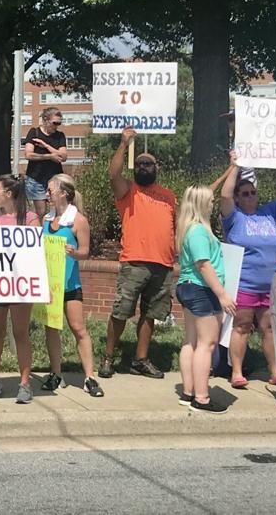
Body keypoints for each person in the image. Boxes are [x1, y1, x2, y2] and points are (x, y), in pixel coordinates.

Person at [219, 150, 276, 389]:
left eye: (253, 193)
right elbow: (224, 194)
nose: (250, 196)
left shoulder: (268, 214)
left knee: (269, 328)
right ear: (238, 198)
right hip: (245, 284)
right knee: (242, 326)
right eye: (245, 193)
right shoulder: (234, 218)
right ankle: (237, 372)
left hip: (270, 285)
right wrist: (235, 166)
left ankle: (275, 370)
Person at [99, 126, 176, 380]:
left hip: (162, 265)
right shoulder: (128, 191)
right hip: (134, 262)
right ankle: (108, 357)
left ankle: (141, 360)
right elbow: (113, 174)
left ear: (157, 168)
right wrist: (124, 143)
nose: (144, 167)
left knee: (151, 314)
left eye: (148, 164)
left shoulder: (169, 196)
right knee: (121, 312)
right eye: (140, 164)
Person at [42, 174, 103, 397]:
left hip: (70, 283)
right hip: (51, 284)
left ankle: (90, 377)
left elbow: (85, 251)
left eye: (50, 190)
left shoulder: (78, 220)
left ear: (63, 193)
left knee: (78, 328)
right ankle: (56, 373)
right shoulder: (46, 219)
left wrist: (74, 253)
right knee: (51, 328)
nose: (47, 194)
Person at [176, 185, 234, 413]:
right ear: (201, 204)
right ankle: (201, 397)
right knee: (206, 344)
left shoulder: (188, 229)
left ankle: (188, 392)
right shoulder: (199, 231)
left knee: (191, 341)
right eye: (209, 201)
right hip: (201, 289)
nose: (213, 204)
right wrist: (222, 294)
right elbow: (204, 265)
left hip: (188, 286)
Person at [0, 174, 40, 404]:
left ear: (8, 194)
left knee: (20, 333)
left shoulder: (31, 219)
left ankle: (25, 383)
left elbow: (36, 254)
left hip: (21, 285)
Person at [22, 107, 67, 218]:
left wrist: (46, 145)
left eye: (59, 123)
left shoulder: (60, 136)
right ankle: (41, 229)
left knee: (57, 210)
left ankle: (54, 228)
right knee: (41, 212)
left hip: (55, 178)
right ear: (45, 120)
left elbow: (63, 156)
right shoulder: (34, 133)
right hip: (36, 178)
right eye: (55, 123)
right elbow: (28, 155)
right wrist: (50, 156)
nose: (56, 126)